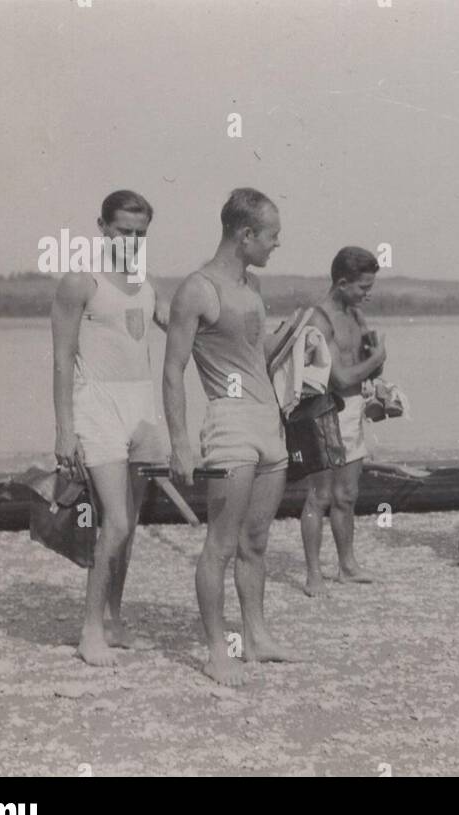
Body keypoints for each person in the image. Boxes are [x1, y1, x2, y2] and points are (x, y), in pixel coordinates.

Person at [162, 188, 304, 685]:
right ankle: (216, 650)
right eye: (272, 237)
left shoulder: (252, 286)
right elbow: (173, 370)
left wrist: (290, 339)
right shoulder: (198, 289)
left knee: (257, 540)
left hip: (268, 420)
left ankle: (257, 637)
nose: (276, 246)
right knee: (220, 543)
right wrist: (180, 442)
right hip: (229, 423)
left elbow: (252, 355)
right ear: (245, 235)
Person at [51, 190, 167, 667]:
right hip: (96, 409)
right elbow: (61, 360)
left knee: (130, 525)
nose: (131, 241)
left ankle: (115, 621)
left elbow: (185, 334)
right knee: (114, 521)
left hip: (142, 408)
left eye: (140, 234)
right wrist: (64, 430)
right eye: (123, 231)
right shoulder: (81, 282)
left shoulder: (147, 286)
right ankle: (90, 630)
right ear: (102, 227)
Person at [300, 247, 387, 591]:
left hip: (352, 411)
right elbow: (339, 378)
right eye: (363, 287)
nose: (369, 294)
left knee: (347, 494)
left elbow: (366, 371)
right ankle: (313, 574)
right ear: (341, 282)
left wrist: (376, 360)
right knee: (319, 496)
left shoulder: (355, 314)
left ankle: (346, 565)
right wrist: (377, 356)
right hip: (322, 410)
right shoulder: (319, 320)